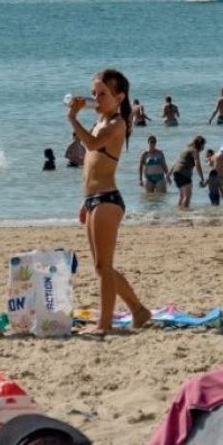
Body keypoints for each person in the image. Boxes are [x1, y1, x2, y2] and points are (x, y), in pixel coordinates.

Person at [68, 69, 149, 335]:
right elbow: (89, 168)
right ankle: (138, 310)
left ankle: (104, 325)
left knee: (104, 267)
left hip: (107, 199)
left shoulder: (117, 124)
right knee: (102, 267)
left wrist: (72, 117)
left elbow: (91, 145)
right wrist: (84, 202)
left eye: (103, 94)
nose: (96, 98)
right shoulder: (99, 122)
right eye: (94, 93)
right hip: (92, 199)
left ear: (119, 97)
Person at [169, 136, 206, 209]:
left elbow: (176, 162)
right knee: (187, 196)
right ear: (200, 144)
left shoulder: (186, 149)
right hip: (184, 173)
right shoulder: (195, 151)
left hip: (176, 173)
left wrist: (168, 174)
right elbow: (197, 164)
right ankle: (184, 214)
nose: (204, 147)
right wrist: (202, 178)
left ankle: (179, 212)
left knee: (182, 196)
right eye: (203, 145)